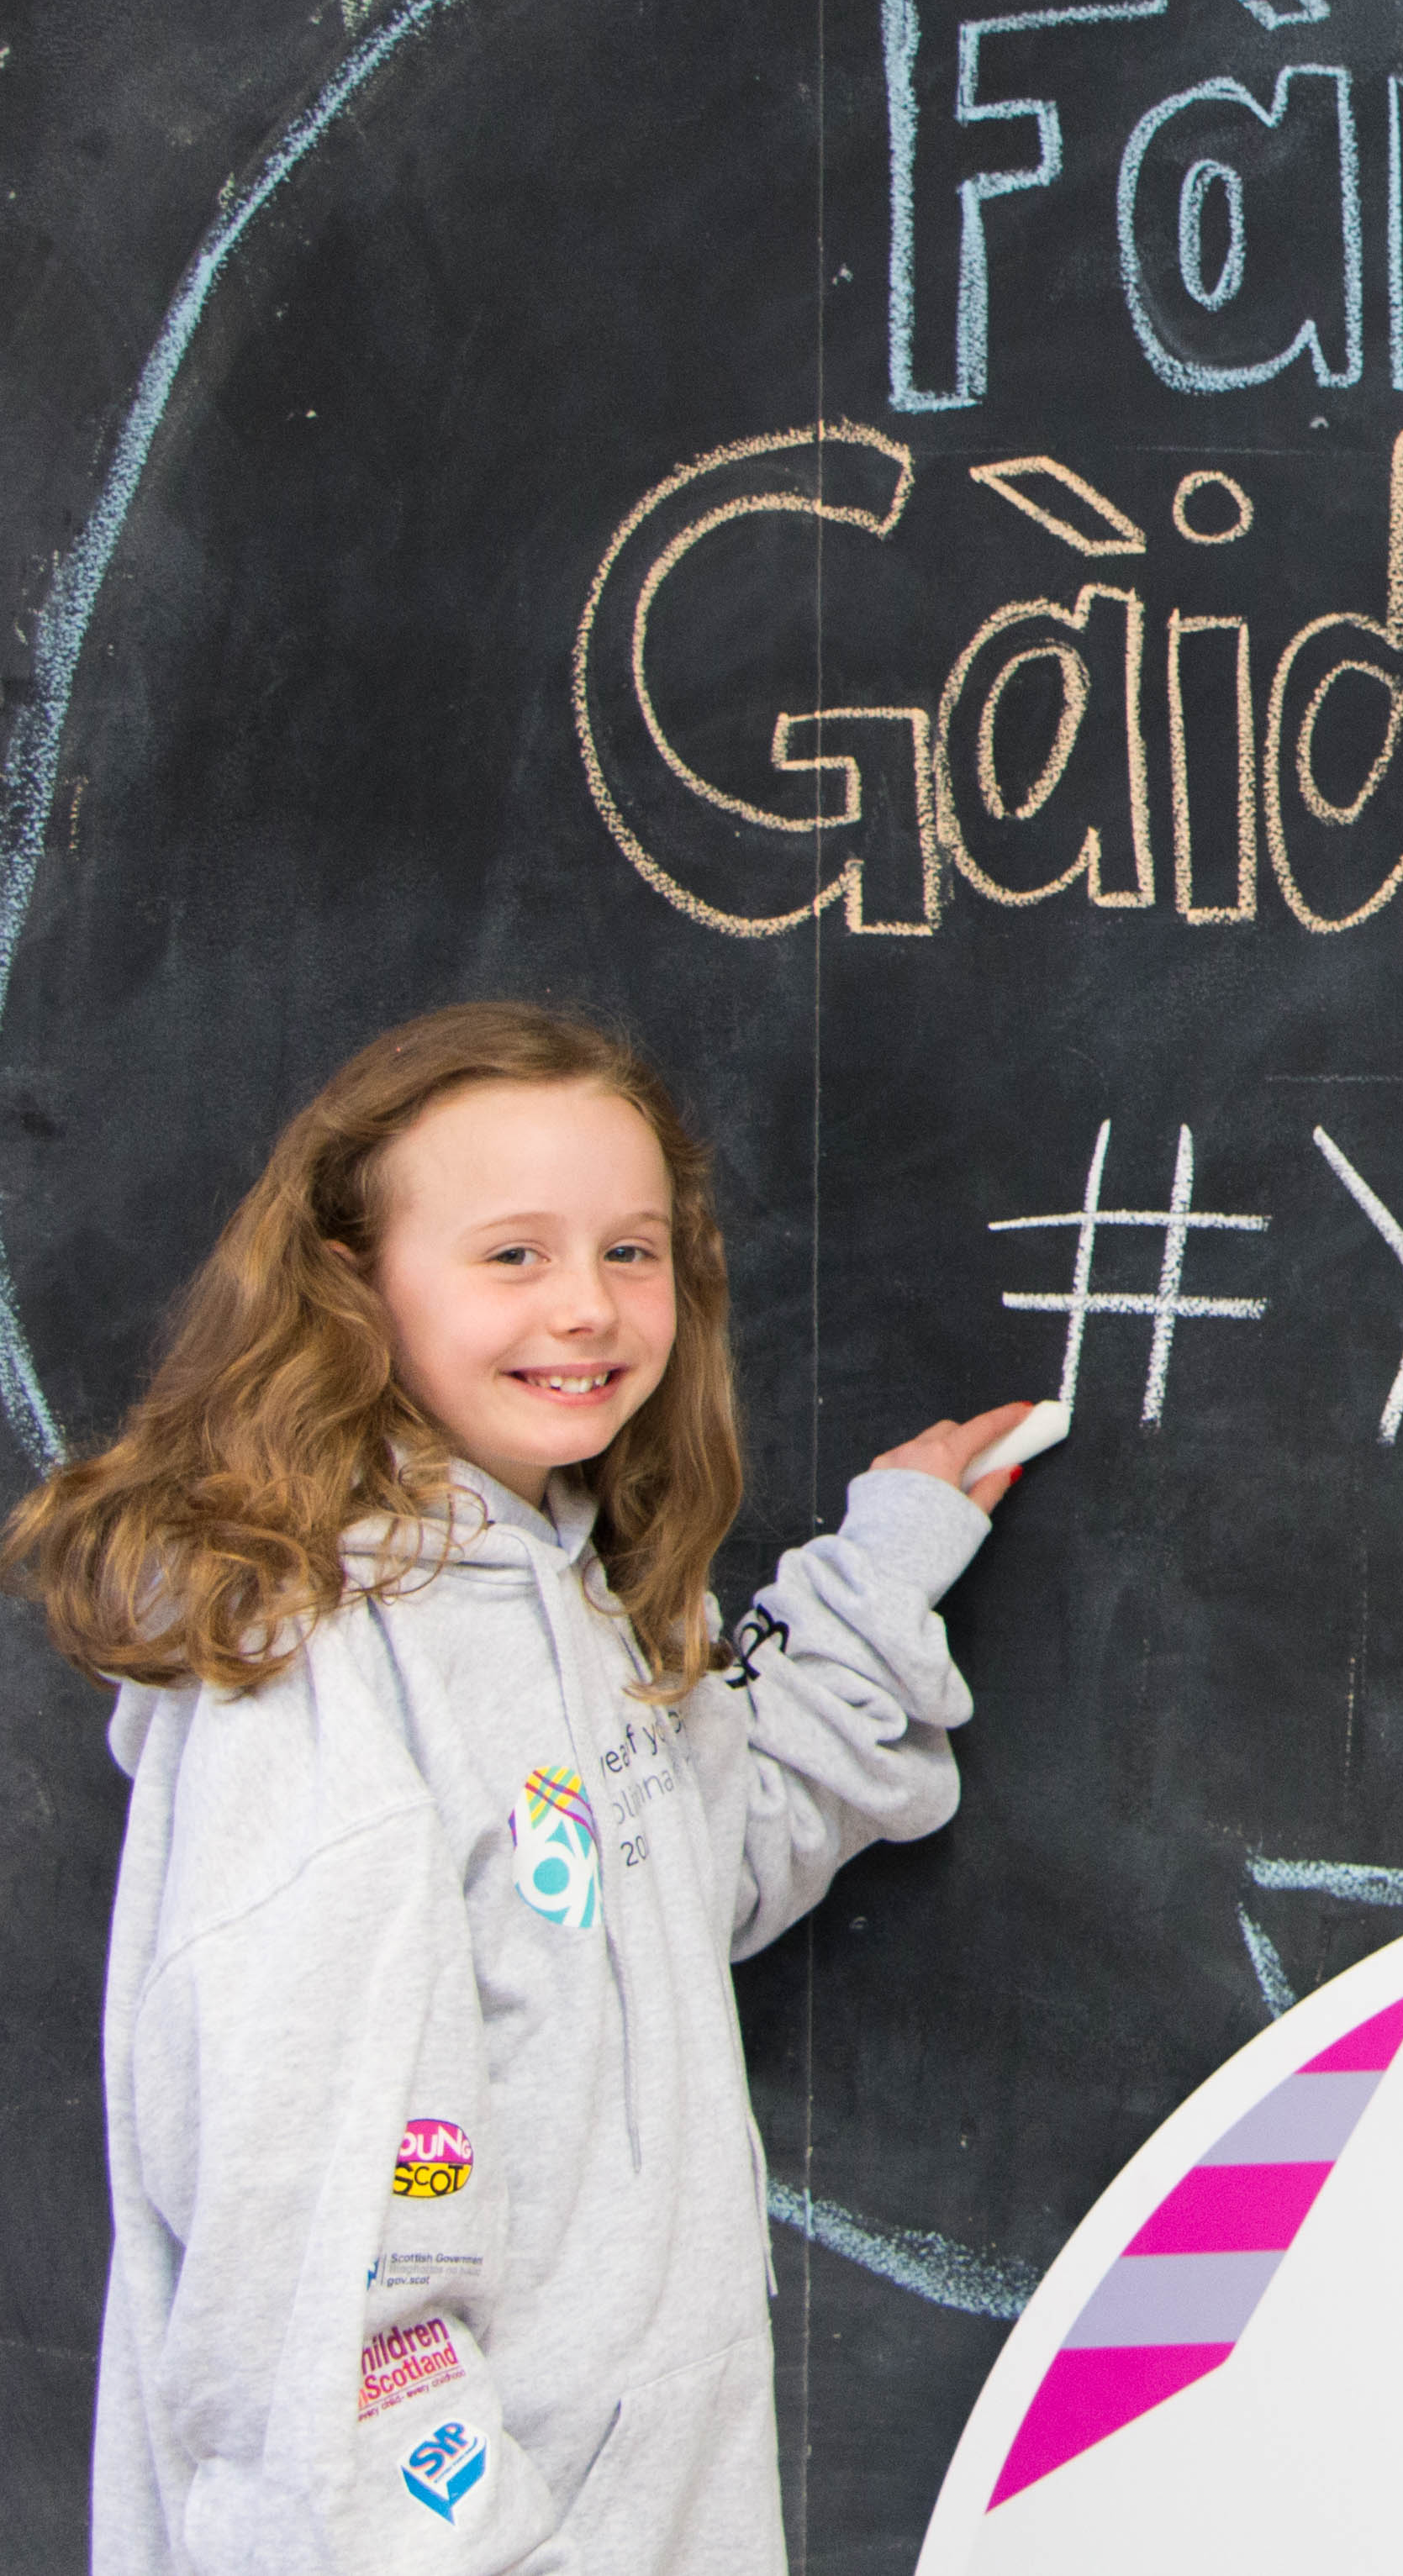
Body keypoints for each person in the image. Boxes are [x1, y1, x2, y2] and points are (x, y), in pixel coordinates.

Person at [6, 1003, 1039, 2575]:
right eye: (513, 1256)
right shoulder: (321, 1675)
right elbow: (314, 2279)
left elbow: (691, 1873)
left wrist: (879, 1578)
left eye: (633, 1252)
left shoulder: (579, 1590)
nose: (590, 1308)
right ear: (355, 1284)